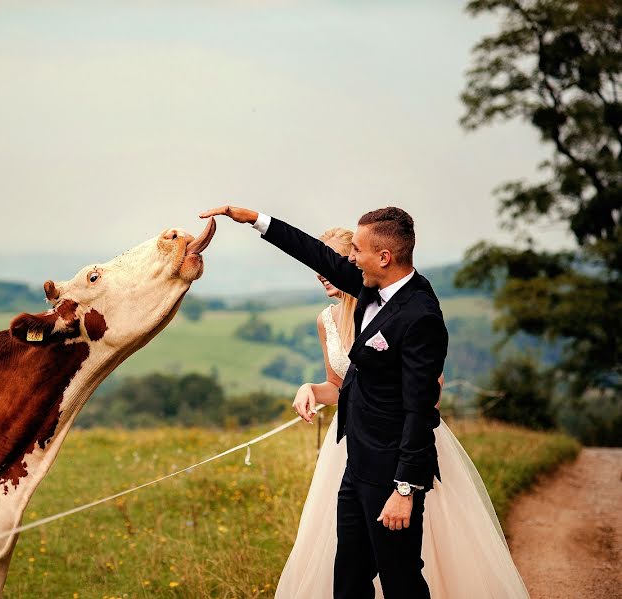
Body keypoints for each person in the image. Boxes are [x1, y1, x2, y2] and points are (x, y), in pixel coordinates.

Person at [197, 205, 511, 598]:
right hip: (355, 463)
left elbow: (421, 409)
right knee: (348, 577)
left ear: (384, 257)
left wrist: (405, 489)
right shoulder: (370, 286)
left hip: (391, 468)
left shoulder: (420, 315)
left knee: (401, 581)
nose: (350, 261)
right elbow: (316, 254)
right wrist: (256, 220)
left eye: (357, 252)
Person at [273, 227, 529, 598]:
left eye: (337, 260)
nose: (321, 272)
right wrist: (310, 389)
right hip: (350, 448)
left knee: (404, 561)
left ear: (363, 261)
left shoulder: (403, 310)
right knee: (348, 563)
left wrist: (404, 483)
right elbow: (337, 385)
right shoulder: (326, 320)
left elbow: (426, 395)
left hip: (402, 446)